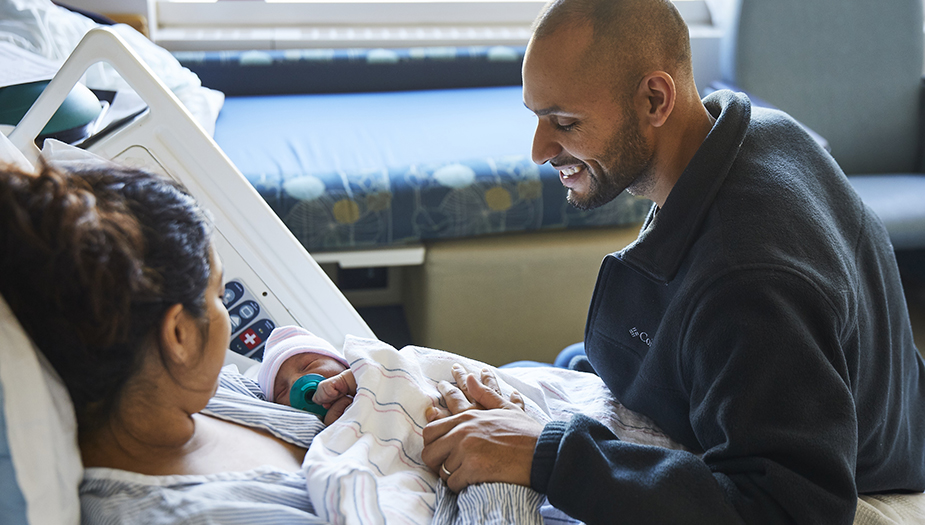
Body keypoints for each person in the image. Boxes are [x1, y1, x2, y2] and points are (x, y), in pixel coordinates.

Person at [420, 0, 925, 524]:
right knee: (519, 376)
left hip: (858, 487)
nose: (540, 150)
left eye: (565, 123)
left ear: (655, 99)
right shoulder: (746, 138)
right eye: (538, 118)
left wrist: (549, 455)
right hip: (884, 420)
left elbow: (790, 506)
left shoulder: (750, 279)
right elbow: (696, 338)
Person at [0, 160, 544, 523]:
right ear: (179, 334)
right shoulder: (201, 514)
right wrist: (510, 470)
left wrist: (365, 391)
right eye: (215, 296)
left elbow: (326, 415)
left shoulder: (181, 401)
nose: (228, 321)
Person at [257, 325, 356, 426]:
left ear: (342, 363)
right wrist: (332, 425)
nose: (295, 381)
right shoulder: (317, 434)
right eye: (282, 391)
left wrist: (348, 380)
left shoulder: (363, 370)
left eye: (308, 366)